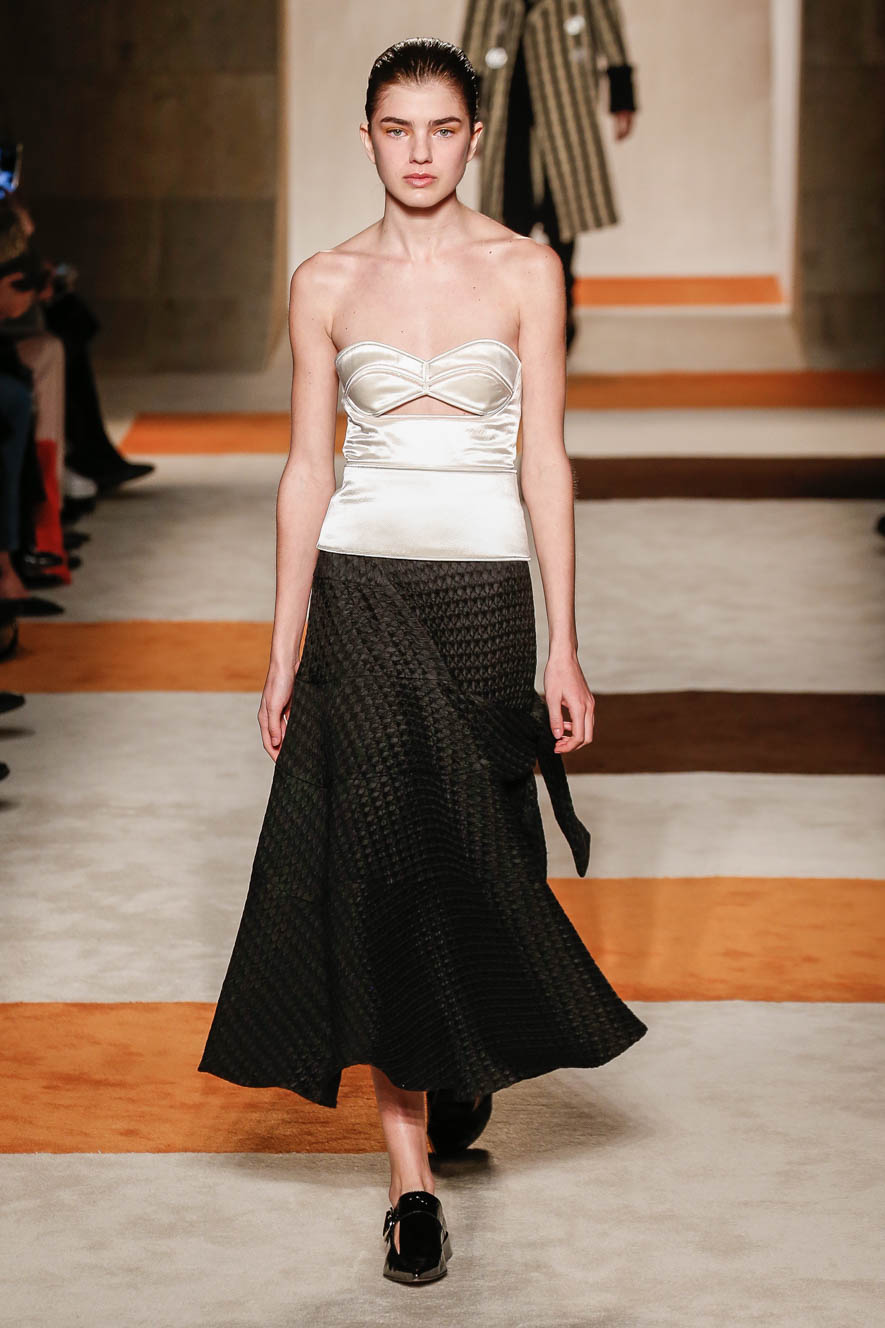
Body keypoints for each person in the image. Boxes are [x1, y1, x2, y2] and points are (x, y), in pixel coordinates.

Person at [198, 37, 647, 1286]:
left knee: (482, 851)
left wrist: (565, 641)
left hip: (486, 595)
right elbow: (308, 466)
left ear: (472, 136)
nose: (420, 152)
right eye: (397, 128)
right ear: (368, 137)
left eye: (443, 128)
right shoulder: (326, 281)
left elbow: (545, 458)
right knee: (377, 864)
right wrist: (282, 646)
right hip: (362, 589)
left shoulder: (526, 269)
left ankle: (451, 1052)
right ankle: (410, 1182)